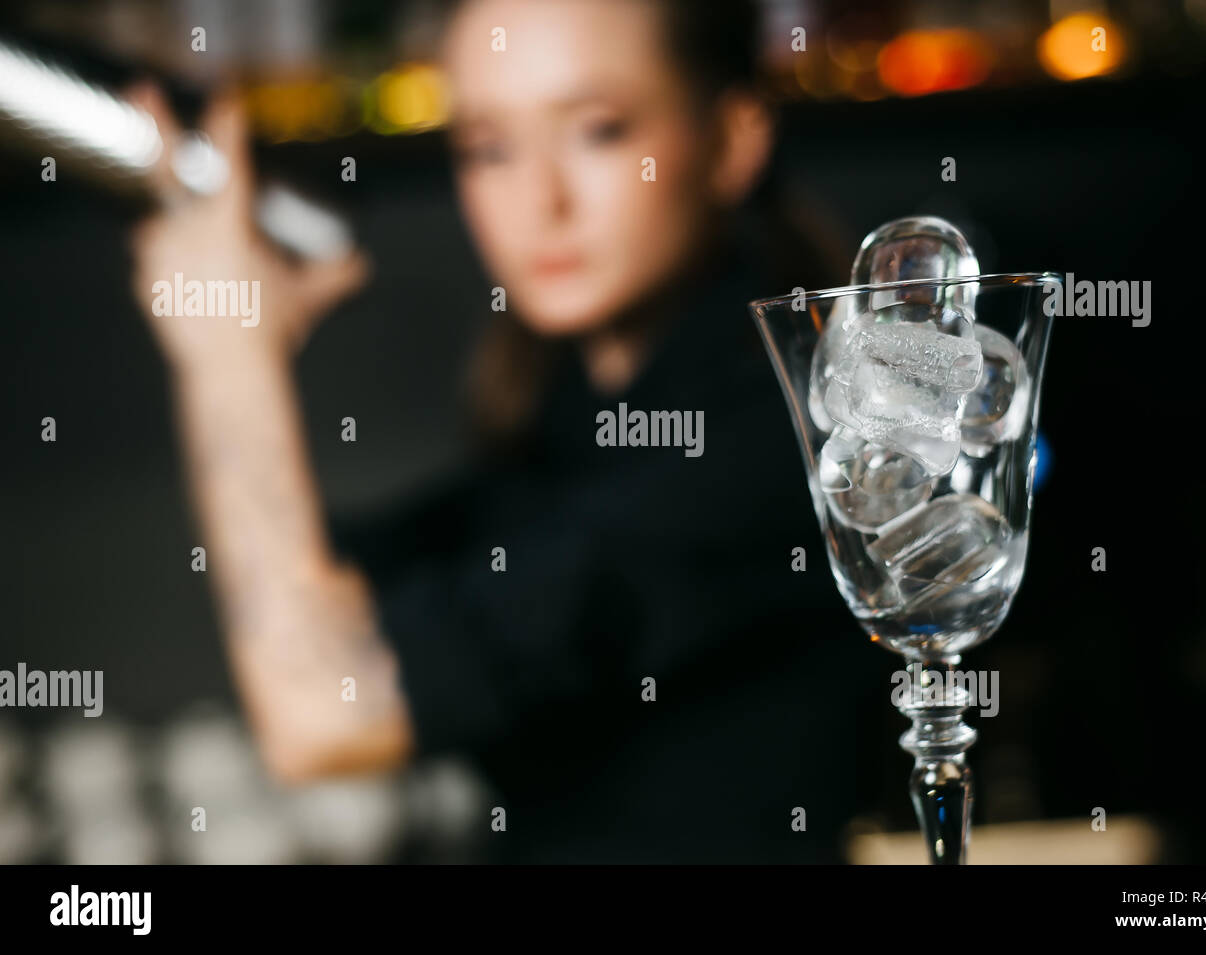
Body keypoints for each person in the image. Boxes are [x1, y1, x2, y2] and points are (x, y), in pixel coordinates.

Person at [127, 0, 888, 863]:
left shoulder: (781, 427)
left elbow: (324, 713)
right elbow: (317, 618)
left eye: (598, 130)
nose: (541, 199)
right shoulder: (570, 418)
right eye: (490, 147)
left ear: (734, 138)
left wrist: (230, 359)